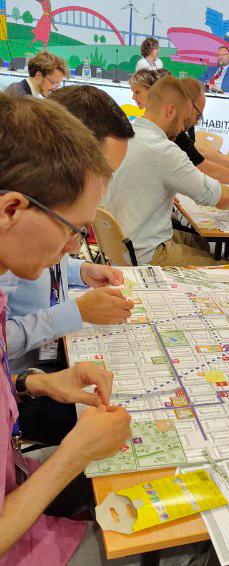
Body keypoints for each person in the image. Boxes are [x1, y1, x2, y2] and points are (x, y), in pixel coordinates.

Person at [0, 91, 132, 564]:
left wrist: (34, 382)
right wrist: (72, 456)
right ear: (11, 210)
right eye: (71, 228)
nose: (75, 246)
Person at [106, 75, 229, 267]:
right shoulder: (164, 150)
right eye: (183, 119)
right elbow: (216, 196)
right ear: (170, 111)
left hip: (120, 245)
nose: (183, 128)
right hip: (146, 254)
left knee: (201, 243)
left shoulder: (125, 135)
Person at [129, 70, 229, 191]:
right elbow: (206, 169)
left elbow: (198, 151)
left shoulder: (148, 127)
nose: (194, 122)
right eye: (198, 115)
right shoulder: (169, 132)